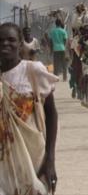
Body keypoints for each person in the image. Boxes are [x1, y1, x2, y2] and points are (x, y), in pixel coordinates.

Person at [0, 23, 59, 194]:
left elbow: (51, 115)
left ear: (20, 44)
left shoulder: (33, 71)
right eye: (1, 40)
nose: (5, 44)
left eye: (11, 40)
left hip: (35, 157)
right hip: (4, 160)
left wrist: (50, 160)